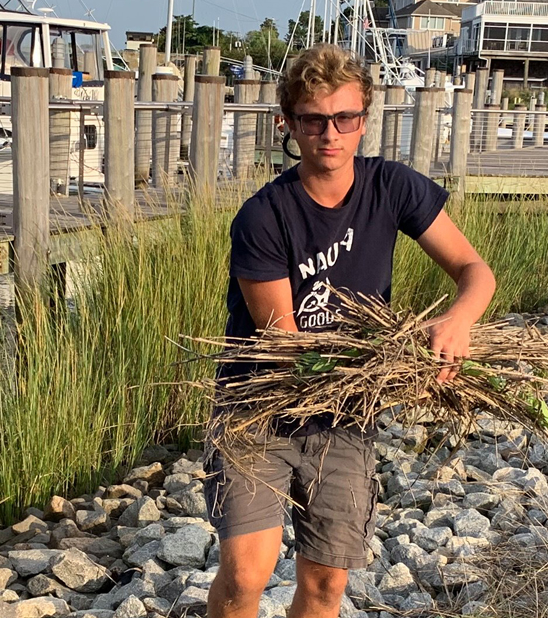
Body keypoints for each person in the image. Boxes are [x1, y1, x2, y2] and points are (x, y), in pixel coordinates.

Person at [203, 44, 496, 618]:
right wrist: (394, 371)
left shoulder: (394, 187)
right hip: (257, 407)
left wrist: (456, 321)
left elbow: (474, 271)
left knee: (326, 584)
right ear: (289, 124)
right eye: (314, 120)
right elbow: (286, 347)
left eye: (345, 118)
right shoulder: (263, 217)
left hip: (344, 419)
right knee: (245, 574)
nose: (330, 134)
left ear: (364, 120)